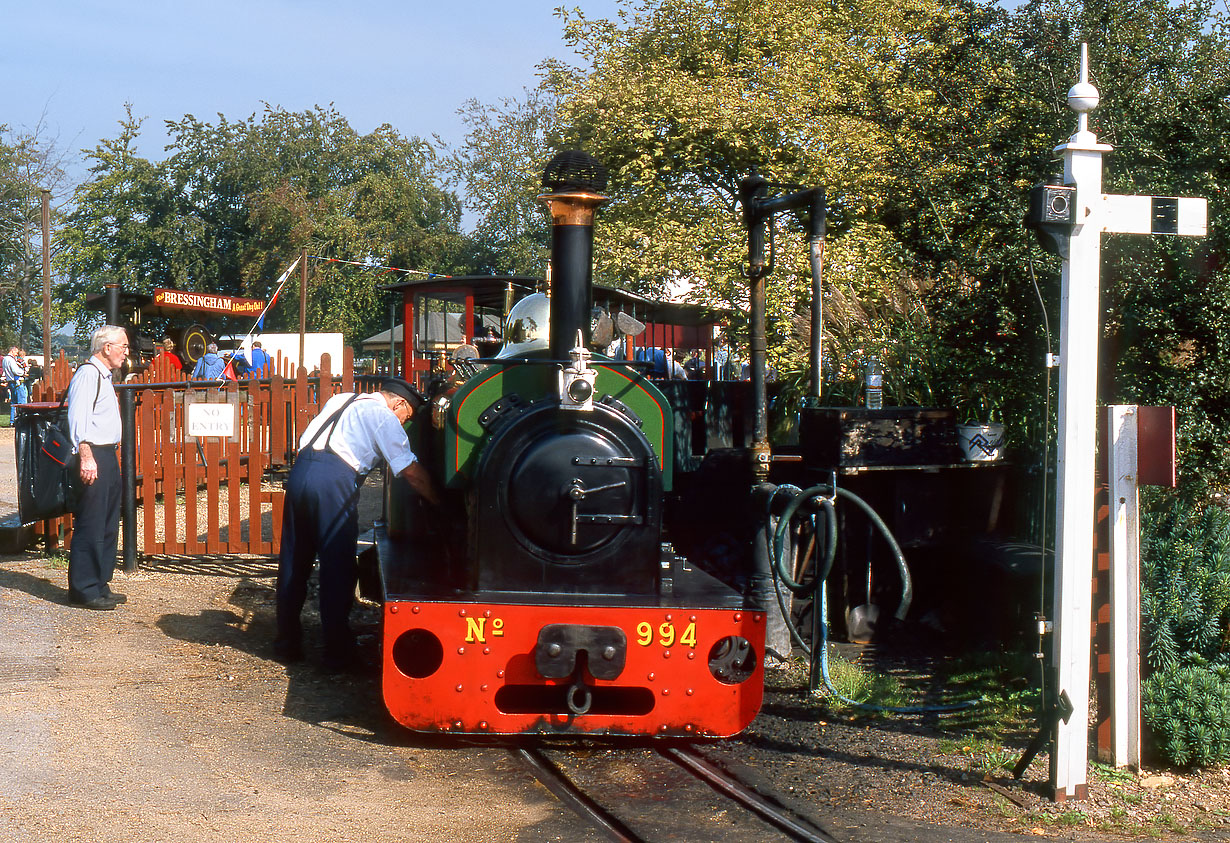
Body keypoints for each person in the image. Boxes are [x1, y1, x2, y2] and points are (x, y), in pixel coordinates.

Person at [275, 377, 438, 670]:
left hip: (300, 474)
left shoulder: (342, 399)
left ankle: (286, 643)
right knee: (338, 567)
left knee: (294, 561)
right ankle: (337, 654)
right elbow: (409, 470)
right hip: (333, 481)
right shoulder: (383, 416)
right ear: (398, 403)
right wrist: (441, 503)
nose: (403, 423)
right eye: (406, 416)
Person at [66, 325, 128, 610]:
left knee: (106, 523)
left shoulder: (104, 376)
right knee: (91, 522)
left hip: (107, 455)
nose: (126, 353)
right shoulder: (88, 374)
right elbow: (78, 419)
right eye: (123, 347)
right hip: (94, 456)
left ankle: (100, 583)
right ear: (106, 348)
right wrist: (86, 456)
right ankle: (84, 589)